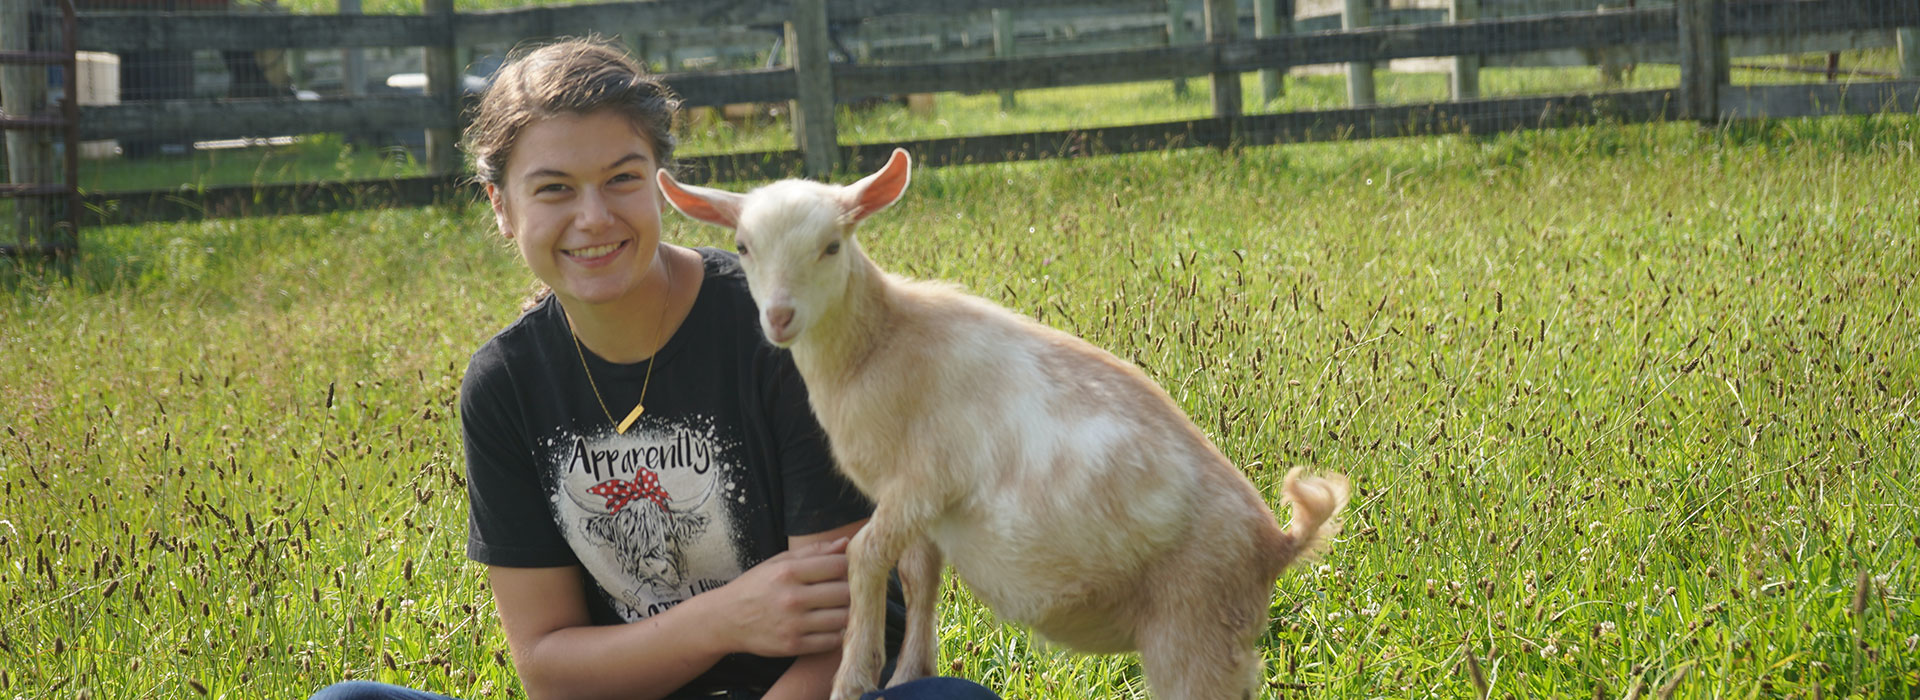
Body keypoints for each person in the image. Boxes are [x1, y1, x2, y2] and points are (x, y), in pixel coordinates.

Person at [311, 37, 997, 700]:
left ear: (663, 188)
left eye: (622, 180)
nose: (593, 217)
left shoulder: (781, 334)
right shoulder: (505, 385)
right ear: (501, 207)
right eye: (553, 189)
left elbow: (850, 623)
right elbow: (550, 670)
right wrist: (724, 617)